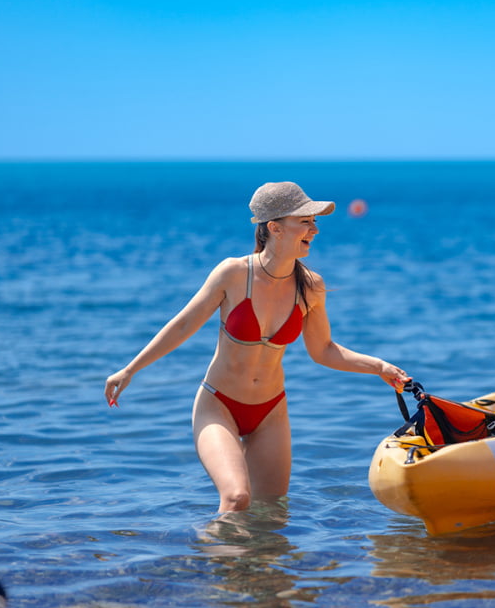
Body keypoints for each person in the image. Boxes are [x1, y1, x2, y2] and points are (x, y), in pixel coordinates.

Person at [105, 182, 409, 512]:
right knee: (237, 498)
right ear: (275, 228)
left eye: (315, 221)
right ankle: (205, 562)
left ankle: (257, 566)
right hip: (218, 405)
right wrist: (131, 368)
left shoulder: (311, 287)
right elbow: (182, 325)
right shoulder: (233, 274)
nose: (314, 230)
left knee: (272, 512)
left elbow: (323, 350)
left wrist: (379, 367)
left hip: (270, 412)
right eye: (305, 221)